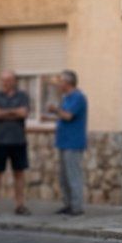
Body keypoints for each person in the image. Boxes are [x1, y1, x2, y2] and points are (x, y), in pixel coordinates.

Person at [0, 70, 31, 218]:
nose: (4, 83)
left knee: (19, 174)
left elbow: (24, 113)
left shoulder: (22, 96)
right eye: (2, 80)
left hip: (18, 141)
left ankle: (20, 205)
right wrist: (13, 112)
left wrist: (3, 112)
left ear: (14, 81)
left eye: (8, 80)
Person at [45, 70, 87, 216]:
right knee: (64, 178)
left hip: (73, 143)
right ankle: (68, 204)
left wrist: (54, 109)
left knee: (73, 176)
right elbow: (62, 116)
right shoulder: (66, 98)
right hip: (63, 142)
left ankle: (76, 207)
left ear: (68, 83)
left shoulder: (78, 97)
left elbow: (68, 116)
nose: (59, 84)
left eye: (61, 81)